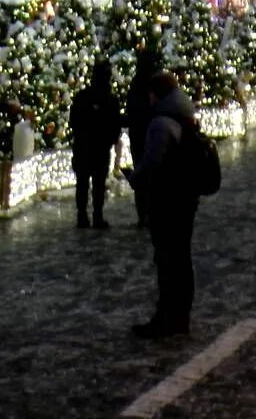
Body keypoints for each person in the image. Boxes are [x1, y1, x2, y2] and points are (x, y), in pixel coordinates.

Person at [128, 69, 199, 338]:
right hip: (186, 197)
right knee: (181, 259)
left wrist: (136, 177)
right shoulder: (185, 115)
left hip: (168, 198)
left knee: (168, 260)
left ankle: (165, 318)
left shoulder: (161, 123)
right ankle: (180, 317)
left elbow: (153, 162)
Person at [69, 60, 122, 229]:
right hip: (100, 147)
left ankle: (82, 215)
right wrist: (111, 139)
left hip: (84, 146)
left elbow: (74, 122)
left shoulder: (82, 97)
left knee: (82, 182)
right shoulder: (110, 99)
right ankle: (97, 215)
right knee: (98, 183)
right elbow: (115, 124)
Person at [124, 61, 158, 228]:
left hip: (137, 136)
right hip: (150, 134)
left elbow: (130, 111)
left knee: (140, 173)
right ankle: (151, 214)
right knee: (152, 175)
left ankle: (142, 214)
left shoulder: (135, 86)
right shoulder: (153, 87)